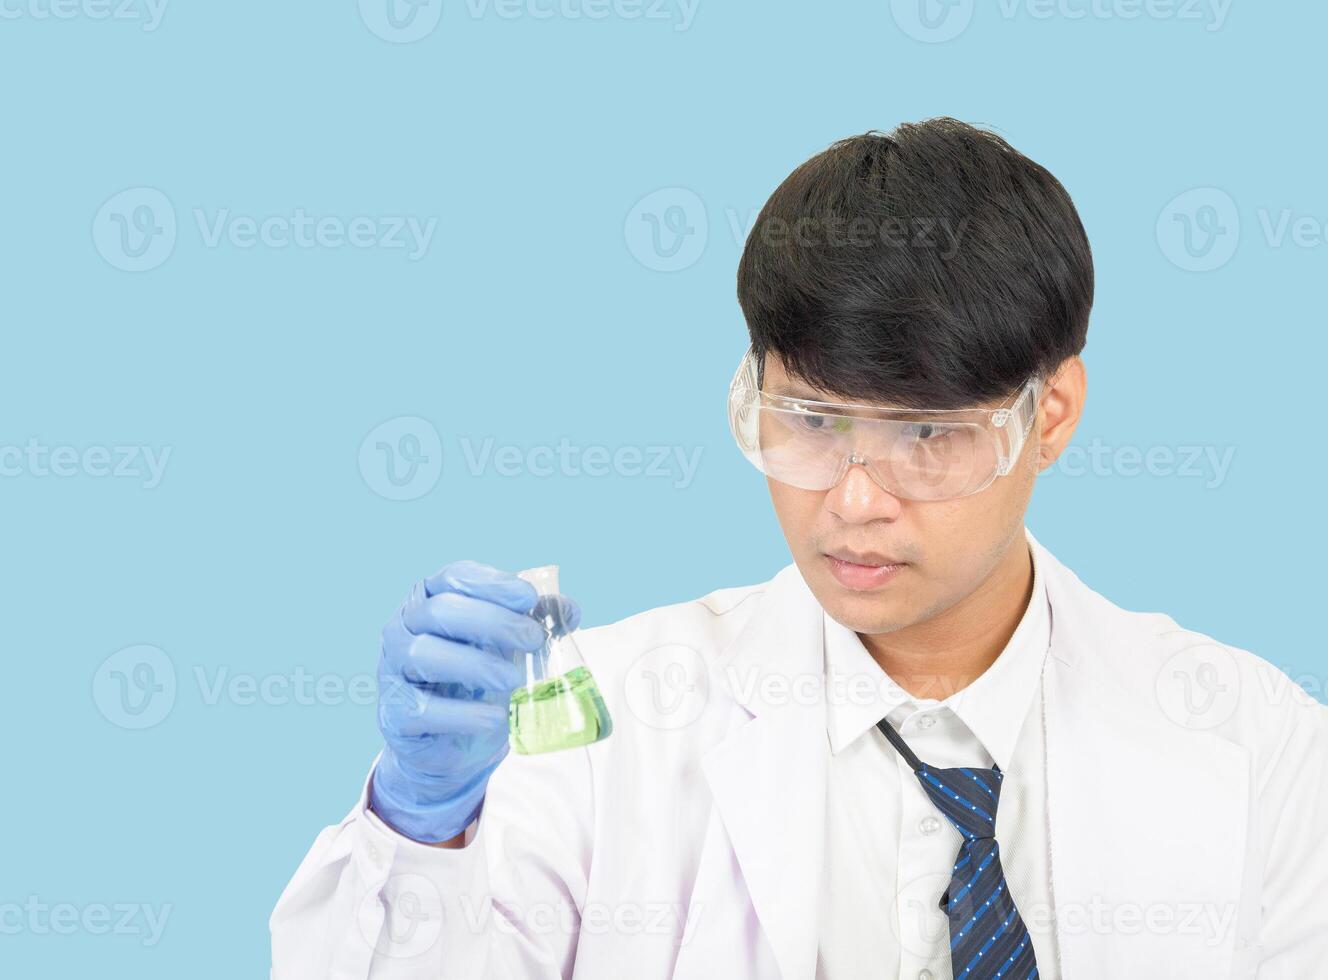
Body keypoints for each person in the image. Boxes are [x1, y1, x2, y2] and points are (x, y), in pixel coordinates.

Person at [270, 119, 1327, 980]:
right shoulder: (605, 723)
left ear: (1048, 413)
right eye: (810, 422)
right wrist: (420, 834)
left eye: (924, 436)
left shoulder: (1255, 742)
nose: (854, 499)